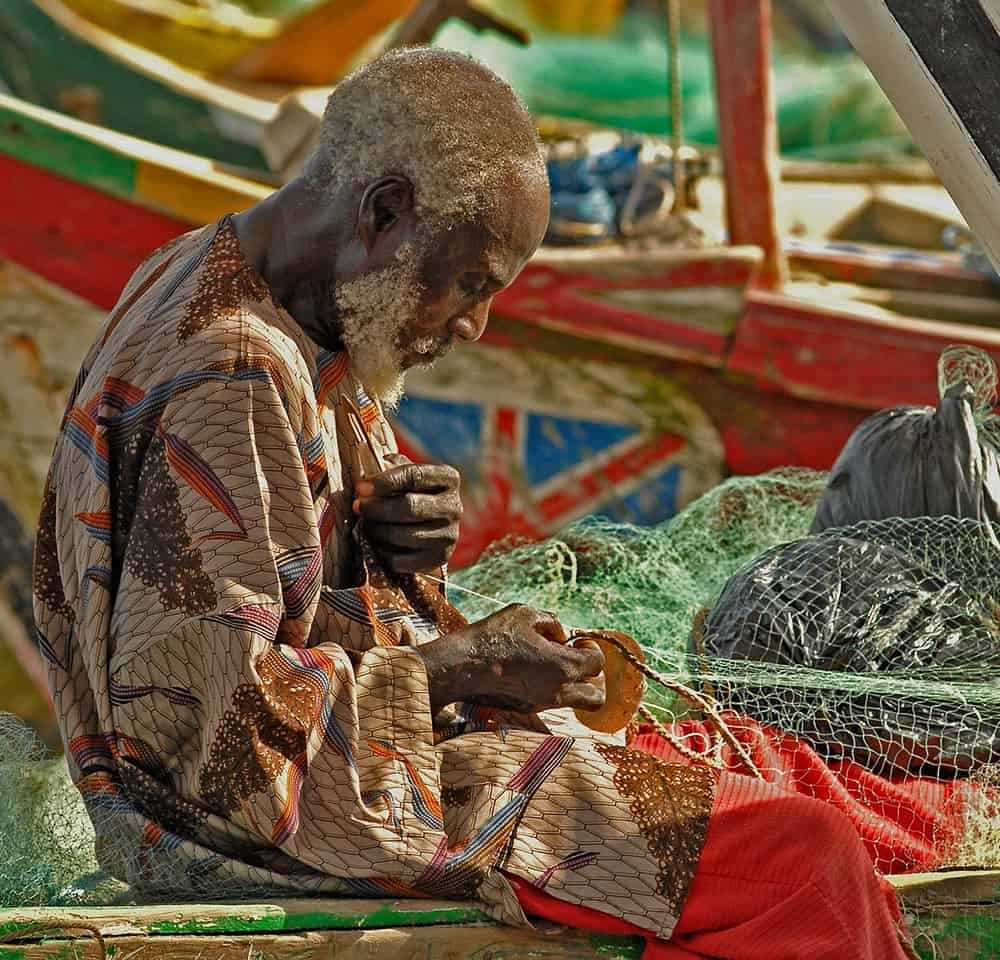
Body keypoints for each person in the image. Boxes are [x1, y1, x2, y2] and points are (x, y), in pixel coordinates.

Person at [33, 49, 913, 958]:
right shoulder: (237, 373)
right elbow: (227, 752)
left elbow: (232, 605)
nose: (473, 327)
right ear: (382, 212)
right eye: (472, 284)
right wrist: (464, 666)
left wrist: (393, 553)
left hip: (338, 764)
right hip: (263, 826)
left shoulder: (224, 268)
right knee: (806, 862)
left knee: (759, 781)